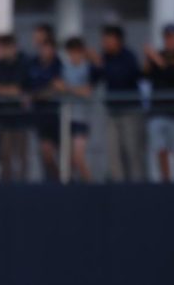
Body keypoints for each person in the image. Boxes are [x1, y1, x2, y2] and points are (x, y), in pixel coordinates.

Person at [91, 25, 144, 182]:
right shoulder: (105, 57)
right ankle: (118, 185)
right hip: (112, 111)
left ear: (118, 40)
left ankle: (137, 185)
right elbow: (95, 79)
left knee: (132, 150)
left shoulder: (128, 57)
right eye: (104, 40)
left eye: (108, 40)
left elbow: (124, 77)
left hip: (130, 111)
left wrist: (102, 65)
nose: (105, 43)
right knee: (113, 152)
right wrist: (95, 65)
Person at [143, 24, 174, 182]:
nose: (170, 41)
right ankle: (166, 180)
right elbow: (145, 77)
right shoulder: (159, 55)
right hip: (158, 109)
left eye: (173, 37)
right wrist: (148, 59)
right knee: (160, 148)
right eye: (167, 37)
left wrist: (158, 61)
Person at [0, 34, 29, 183]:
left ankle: (22, 185)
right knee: (5, 153)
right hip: (4, 117)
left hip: (21, 117)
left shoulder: (23, 63)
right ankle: (6, 186)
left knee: (21, 154)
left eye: (5, 47)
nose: (2, 51)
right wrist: (2, 90)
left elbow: (16, 90)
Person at [28, 34, 64, 182]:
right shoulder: (34, 64)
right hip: (41, 115)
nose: (45, 52)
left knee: (63, 154)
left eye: (48, 49)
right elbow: (29, 88)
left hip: (57, 116)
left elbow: (57, 88)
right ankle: (54, 180)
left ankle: (65, 180)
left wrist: (41, 94)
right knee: (45, 153)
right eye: (43, 48)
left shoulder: (59, 65)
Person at [58, 37, 94, 183]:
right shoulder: (65, 68)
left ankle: (91, 186)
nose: (73, 56)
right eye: (71, 53)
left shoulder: (87, 68)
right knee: (68, 160)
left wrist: (68, 88)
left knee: (78, 157)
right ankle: (72, 187)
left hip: (82, 117)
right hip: (67, 118)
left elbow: (87, 91)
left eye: (76, 52)